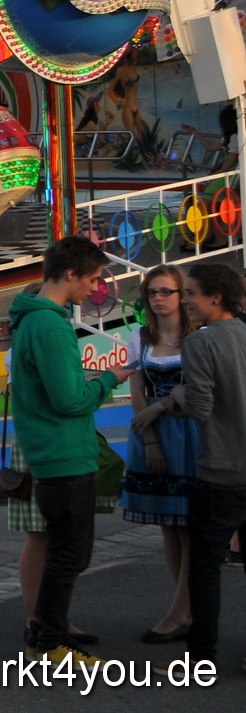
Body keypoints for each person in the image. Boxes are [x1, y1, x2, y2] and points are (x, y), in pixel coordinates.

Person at [8, 237, 131, 664]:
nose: (96, 290)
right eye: (93, 279)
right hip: (64, 454)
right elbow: (70, 401)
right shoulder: (50, 324)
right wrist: (109, 379)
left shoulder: (30, 320)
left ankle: (43, 632)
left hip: (49, 455)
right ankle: (51, 643)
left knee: (63, 549)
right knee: (70, 554)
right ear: (71, 274)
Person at [165, 262, 246, 668]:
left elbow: (200, 407)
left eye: (191, 293)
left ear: (216, 297)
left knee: (206, 567)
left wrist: (177, 394)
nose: (186, 301)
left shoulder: (201, 343)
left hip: (220, 472)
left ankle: (201, 657)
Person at [119, 265, 200, 643]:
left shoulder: (198, 337)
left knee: (188, 525)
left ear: (182, 294)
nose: (158, 299)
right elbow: (137, 393)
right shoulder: (141, 338)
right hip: (153, 434)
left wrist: (160, 408)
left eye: (165, 291)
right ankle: (185, 608)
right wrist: (149, 438)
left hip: (191, 432)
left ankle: (179, 612)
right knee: (168, 524)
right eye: (152, 292)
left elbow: (198, 391)